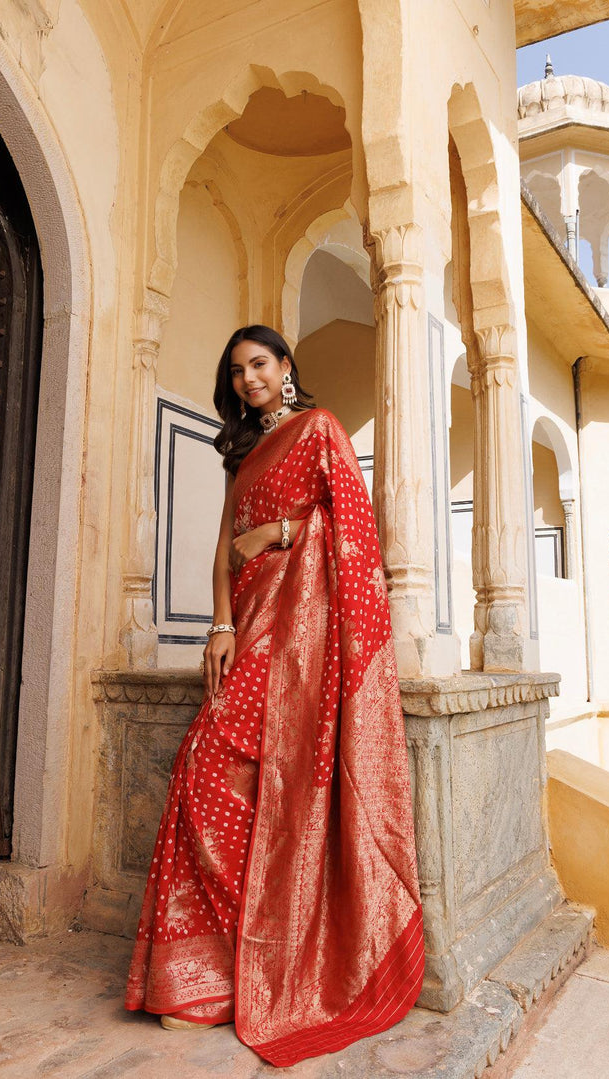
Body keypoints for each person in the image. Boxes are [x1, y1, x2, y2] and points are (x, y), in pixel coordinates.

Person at [124, 325, 424, 1067]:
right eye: (238, 371)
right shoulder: (242, 452)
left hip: (305, 640)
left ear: (285, 367)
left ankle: (255, 969)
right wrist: (219, 625)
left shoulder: (318, 430)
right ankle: (213, 974)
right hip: (252, 625)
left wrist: (280, 532)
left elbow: (350, 526)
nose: (249, 378)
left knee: (232, 767)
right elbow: (225, 545)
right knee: (206, 771)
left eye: (260, 364)